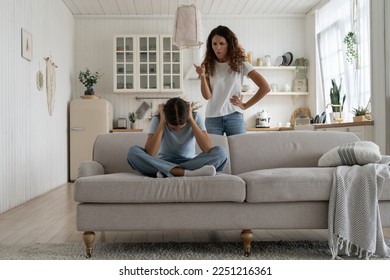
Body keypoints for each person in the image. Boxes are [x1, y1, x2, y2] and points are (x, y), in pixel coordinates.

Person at [194, 25, 271, 136]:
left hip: (234, 116)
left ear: (229, 44)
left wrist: (245, 105)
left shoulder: (241, 63)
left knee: (241, 152)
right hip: (212, 118)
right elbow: (207, 96)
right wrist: (202, 75)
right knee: (214, 152)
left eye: (221, 43)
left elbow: (265, 87)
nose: (217, 48)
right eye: (214, 44)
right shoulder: (208, 65)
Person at [127, 97, 227, 178]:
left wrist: (191, 120)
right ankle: (186, 173)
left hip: (191, 162)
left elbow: (207, 148)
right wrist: (162, 122)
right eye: (173, 128)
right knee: (132, 152)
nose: (178, 130)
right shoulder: (157, 120)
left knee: (221, 153)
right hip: (164, 161)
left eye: (181, 127)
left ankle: (169, 171)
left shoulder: (195, 117)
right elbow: (150, 152)